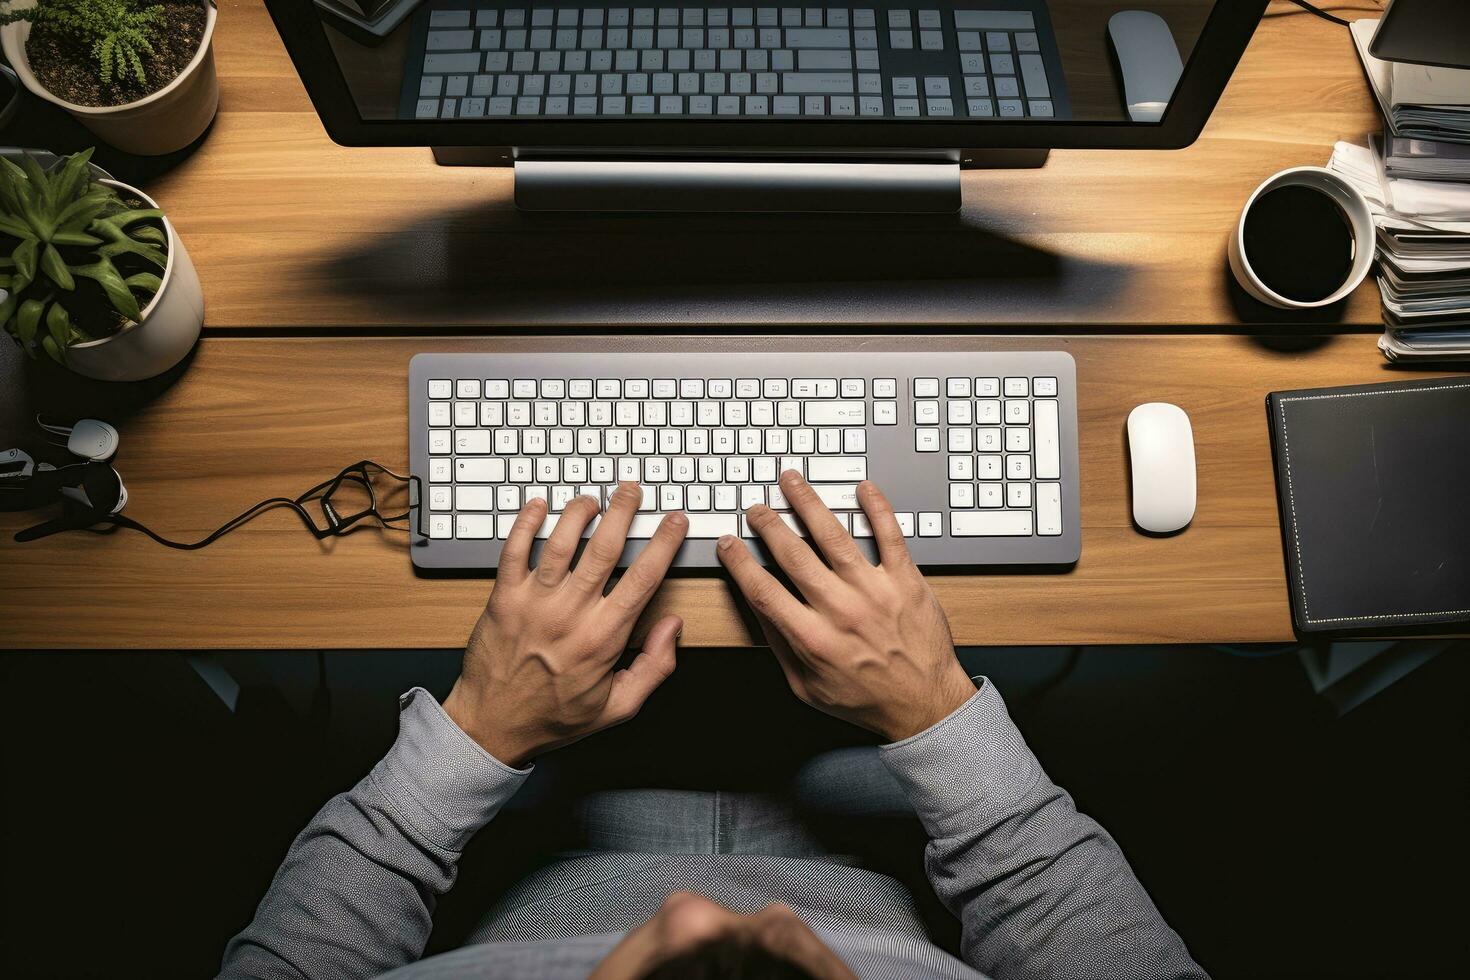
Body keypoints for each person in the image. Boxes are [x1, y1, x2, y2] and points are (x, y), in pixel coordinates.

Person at [219, 472, 1207, 980]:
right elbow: (1052, 896)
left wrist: (477, 728)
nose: (705, 910)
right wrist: (933, 709)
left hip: (554, 826)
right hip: (864, 827)